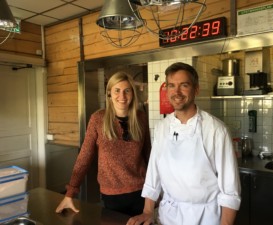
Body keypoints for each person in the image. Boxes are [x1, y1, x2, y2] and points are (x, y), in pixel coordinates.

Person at [127, 62, 241, 225]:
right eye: (171, 86)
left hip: (205, 218)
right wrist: (147, 211)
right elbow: (154, 173)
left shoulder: (216, 130)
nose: (177, 92)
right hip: (168, 216)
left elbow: (230, 191)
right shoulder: (162, 127)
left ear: (196, 89)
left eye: (184, 85)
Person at [56, 71, 151, 216]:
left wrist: (157, 189)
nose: (122, 96)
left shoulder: (141, 118)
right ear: (109, 94)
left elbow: (149, 155)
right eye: (117, 91)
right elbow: (84, 157)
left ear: (133, 93)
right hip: (111, 195)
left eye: (127, 91)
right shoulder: (98, 119)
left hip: (141, 191)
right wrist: (70, 192)